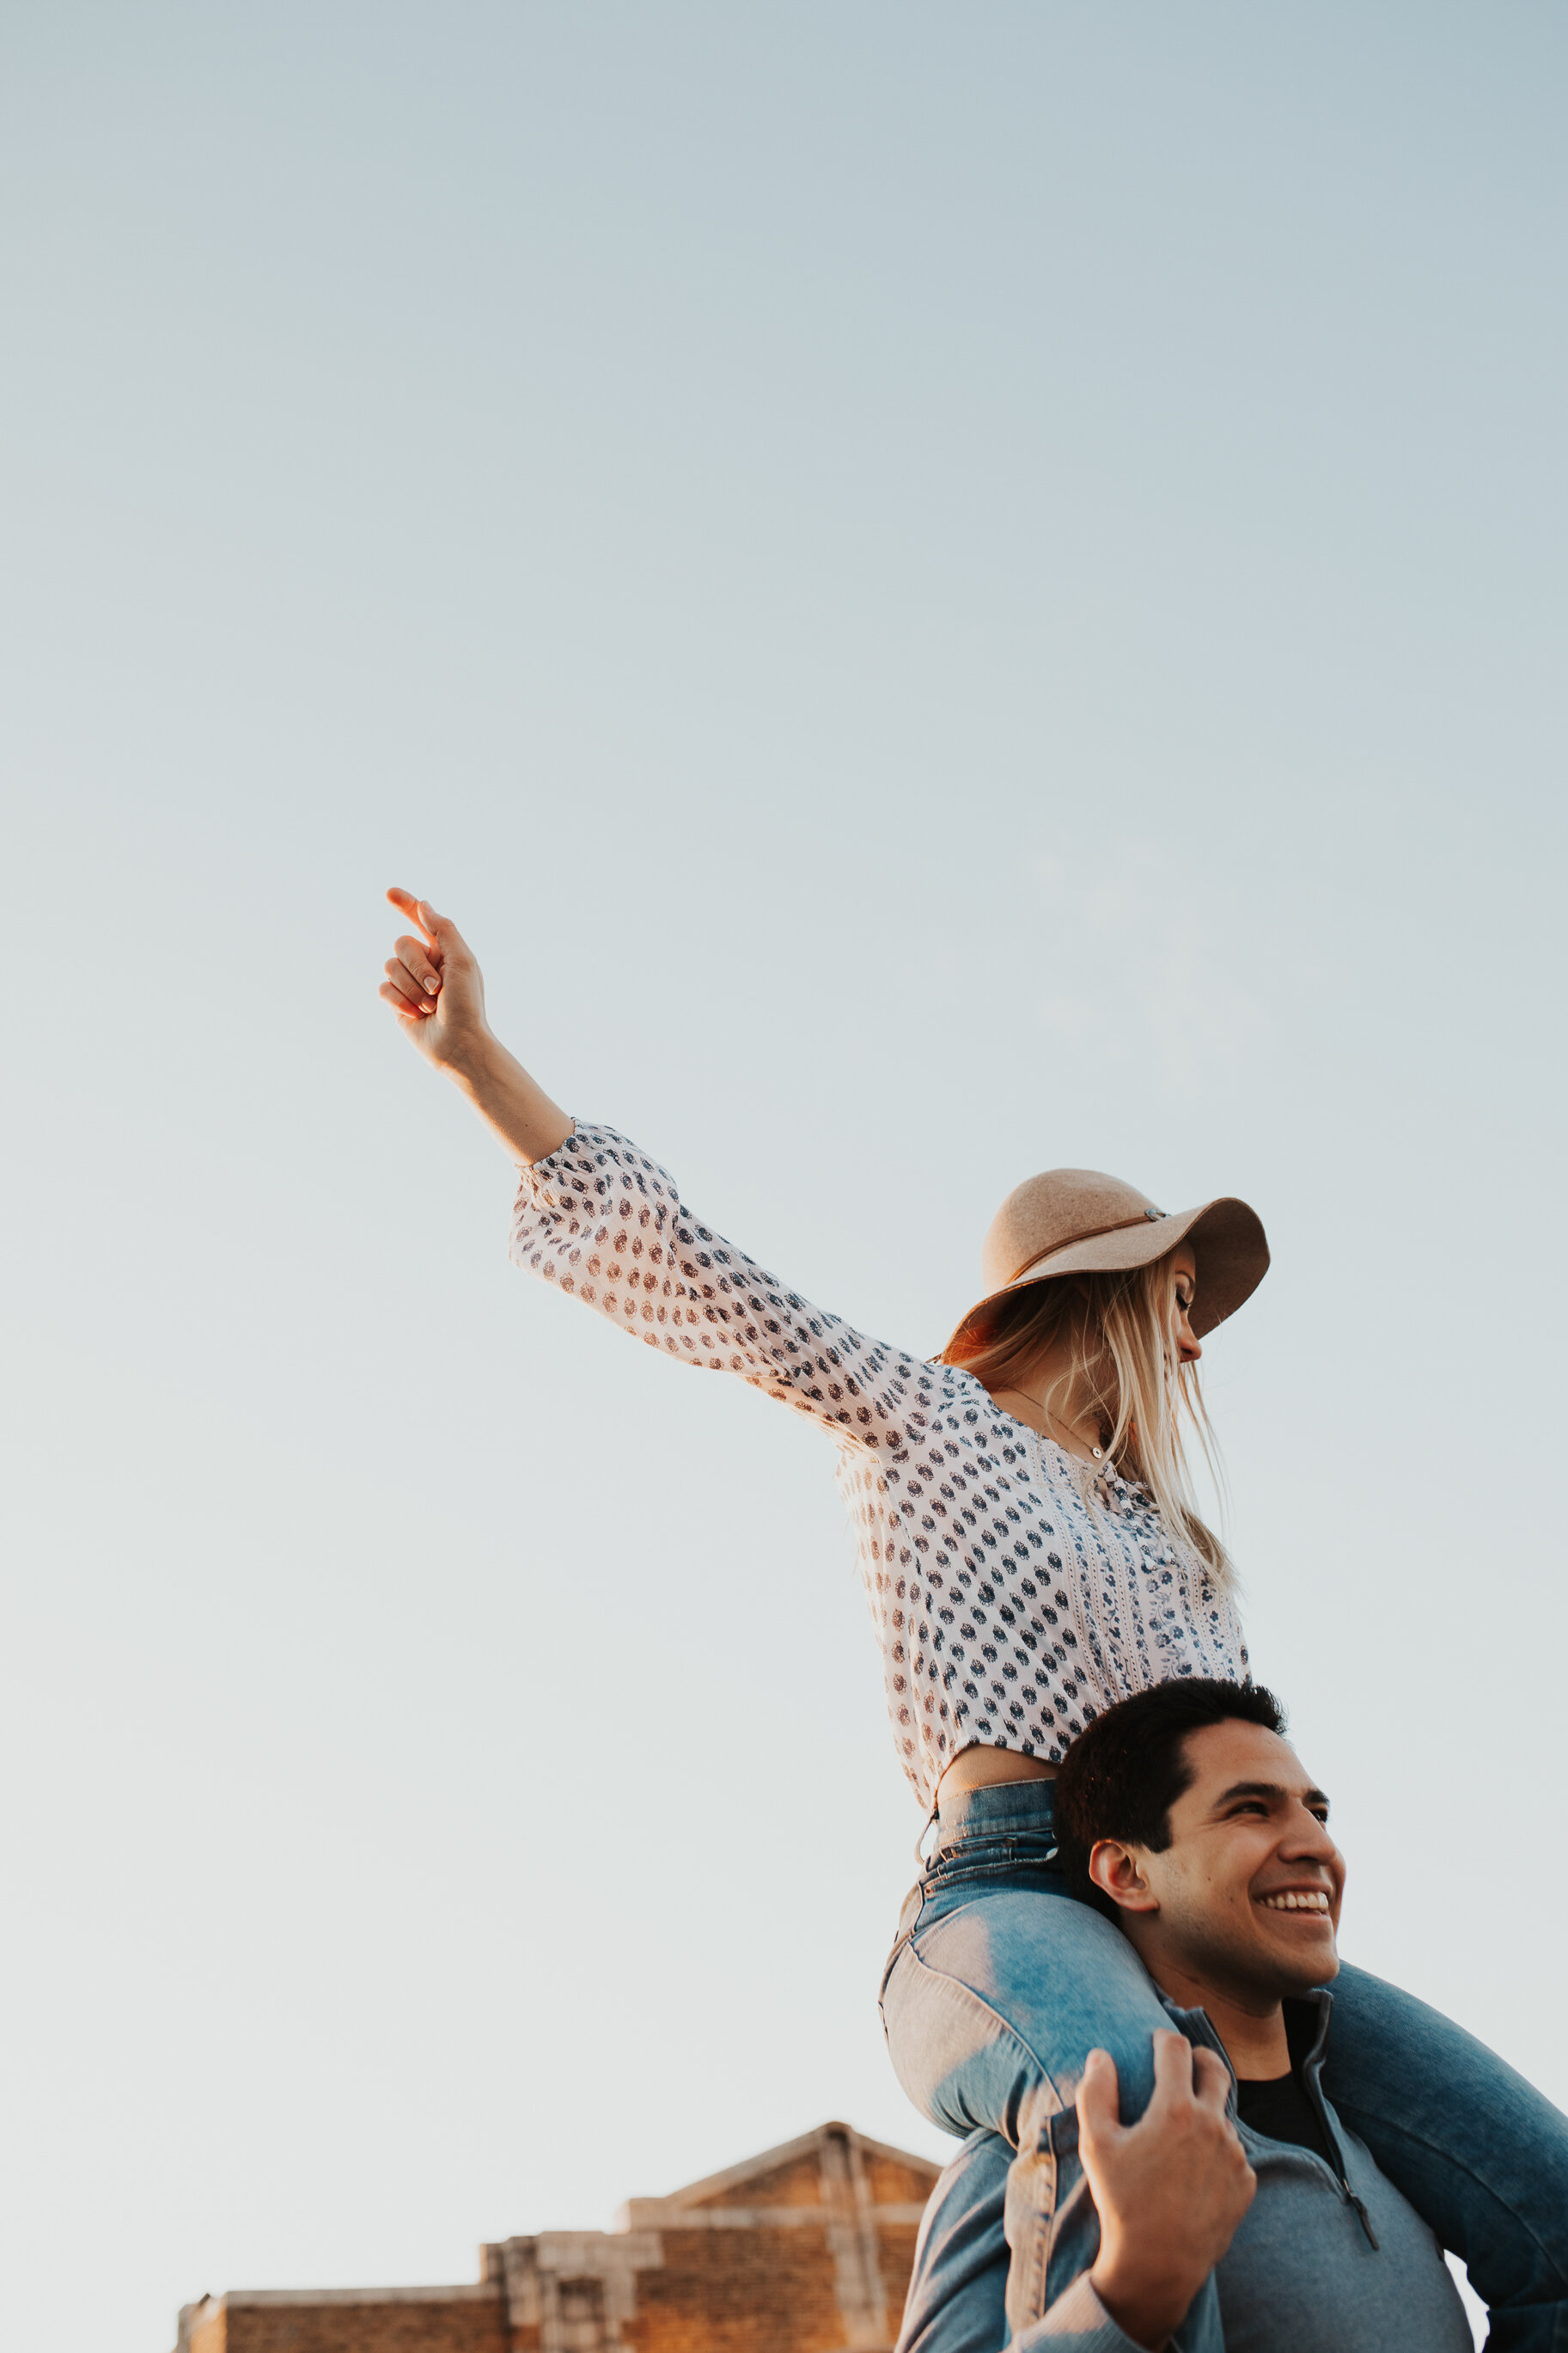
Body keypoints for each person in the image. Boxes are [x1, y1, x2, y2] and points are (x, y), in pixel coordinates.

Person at [377, 888, 1568, 2349]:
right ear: (1107, 1295)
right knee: (1136, 2104)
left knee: (1553, 2188)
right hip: (1007, 1899)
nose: (1196, 1338)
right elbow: (703, 1273)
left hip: (1185, 1896)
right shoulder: (929, 1422)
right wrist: (476, 1060)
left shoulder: (1178, 1540)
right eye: (1179, 1294)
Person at [897, 1678, 1479, 2351]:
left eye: (1317, 1814)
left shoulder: (1399, 2156)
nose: (1315, 1846)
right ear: (1127, 1873)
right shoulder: (1048, 2160)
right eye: (1250, 1811)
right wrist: (1128, 2293)